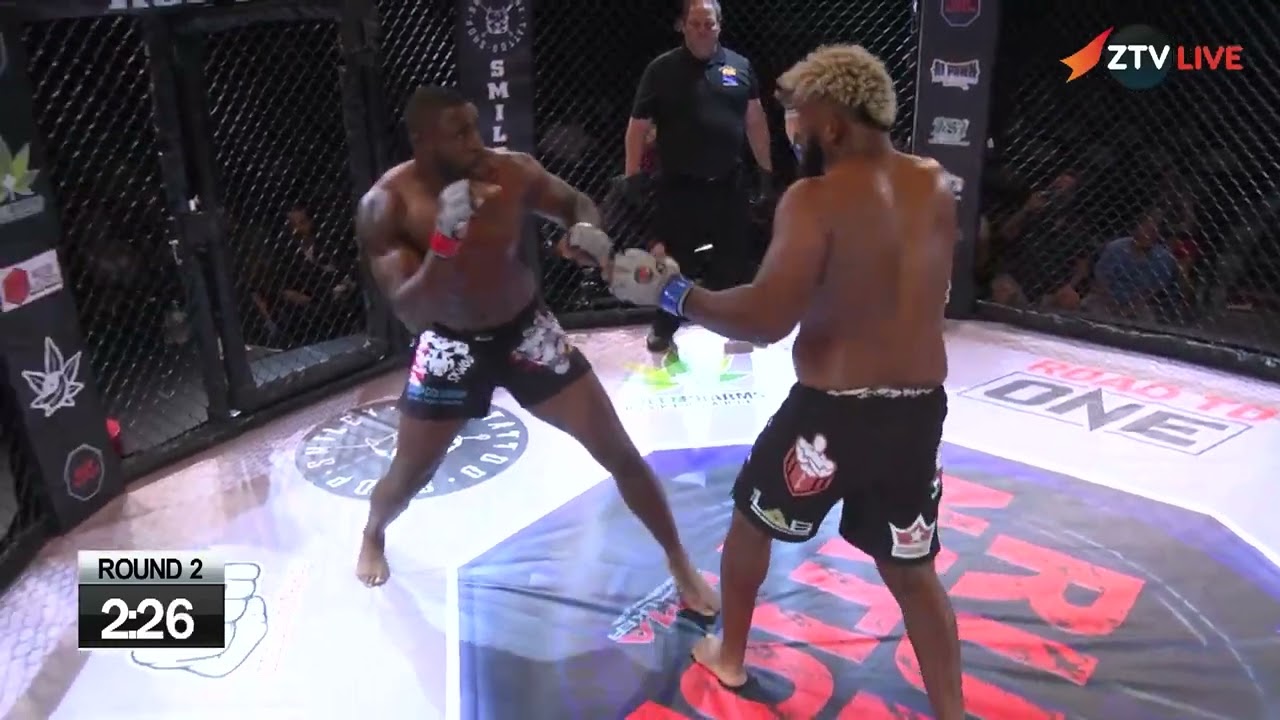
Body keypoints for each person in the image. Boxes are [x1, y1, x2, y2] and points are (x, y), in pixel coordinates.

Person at [575, 45, 965, 718]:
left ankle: (729, 657)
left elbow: (765, 320)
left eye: (799, 116)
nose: (792, 131)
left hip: (833, 415)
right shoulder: (933, 183)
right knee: (912, 570)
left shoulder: (814, 199)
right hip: (919, 410)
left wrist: (674, 294)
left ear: (832, 125)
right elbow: (898, 284)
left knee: (751, 525)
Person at [353, 84, 718, 617]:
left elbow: (573, 202)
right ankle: (373, 531)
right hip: (450, 343)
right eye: (459, 133)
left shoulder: (511, 171)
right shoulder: (388, 204)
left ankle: (679, 561)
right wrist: (445, 243)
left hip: (526, 330)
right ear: (422, 141)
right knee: (410, 476)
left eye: (475, 126)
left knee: (618, 451)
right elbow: (411, 312)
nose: (475, 141)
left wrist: (586, 230)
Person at [622, 0, 773, 353]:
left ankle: (736, 327)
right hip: (679, 184)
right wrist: (632, 174)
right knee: (676, 263)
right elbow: (638, 126)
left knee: (734, 259)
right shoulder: (662, 69)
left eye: (709, 23)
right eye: (696, 24)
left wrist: (766, 172)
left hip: (729, 182)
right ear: (683, 26)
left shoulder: (739, 67)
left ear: (719, 25)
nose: (703, 30)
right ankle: (663, 328)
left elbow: (755, 121)